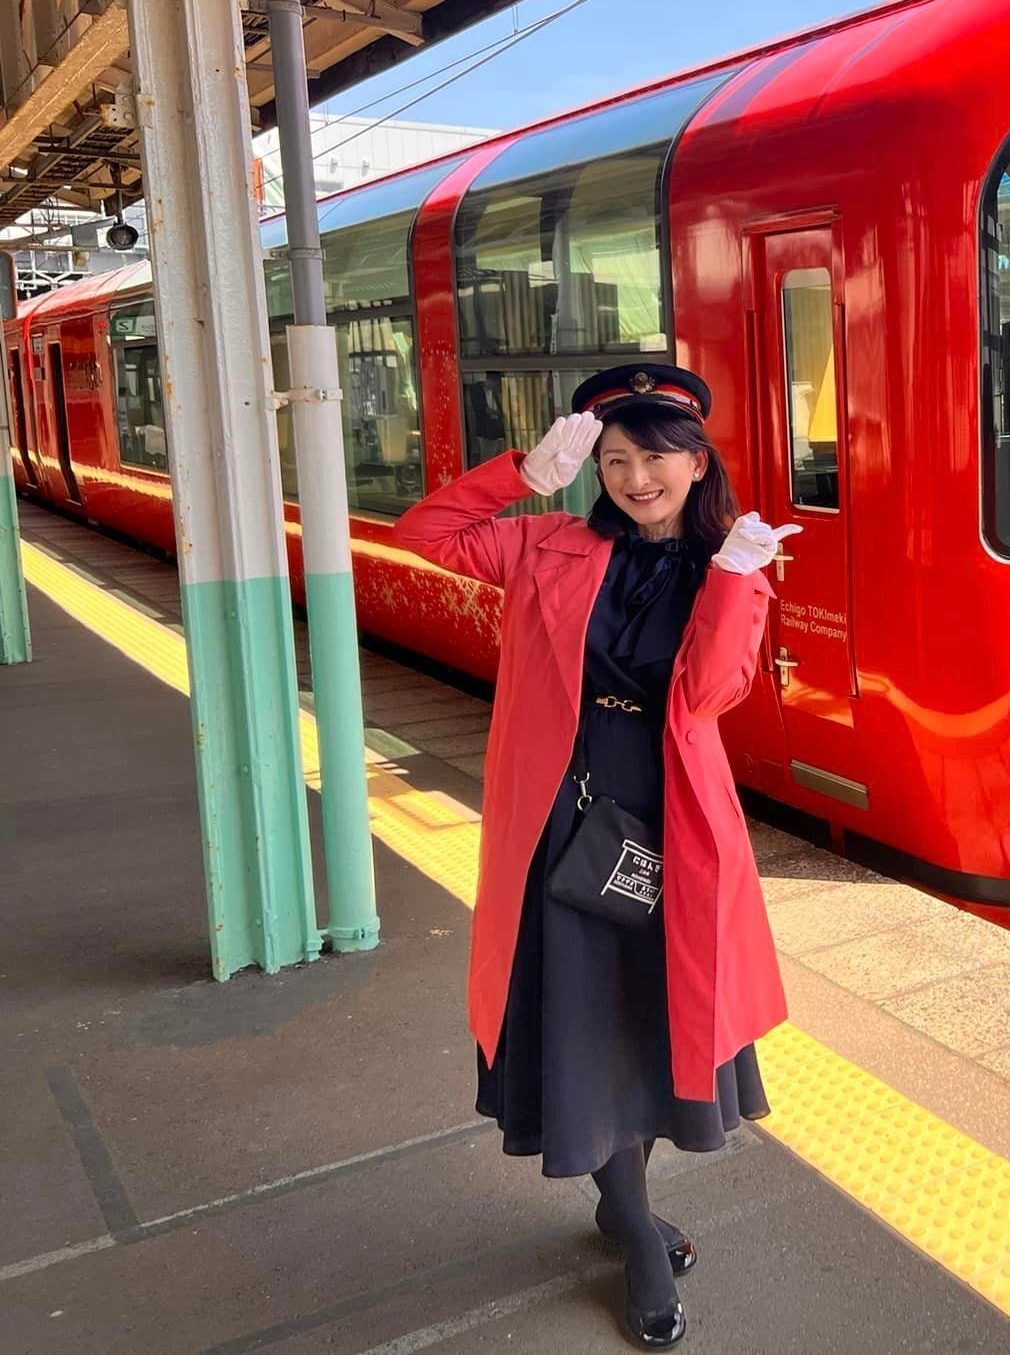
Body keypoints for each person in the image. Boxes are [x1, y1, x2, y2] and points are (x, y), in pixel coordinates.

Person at [394, 364, 797, 1351]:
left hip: (674, 829)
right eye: (614, 458)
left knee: (660, 1027)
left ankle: (624, 1208)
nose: (635, 475)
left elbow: (705, 693)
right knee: (584, 1029)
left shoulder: (724, 565)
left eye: (656, 454)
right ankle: (638, 1239)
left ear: (696, 463)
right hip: (565, 822)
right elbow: (420, 537)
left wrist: (738, 583)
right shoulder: (546, 543)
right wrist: (516, 479)